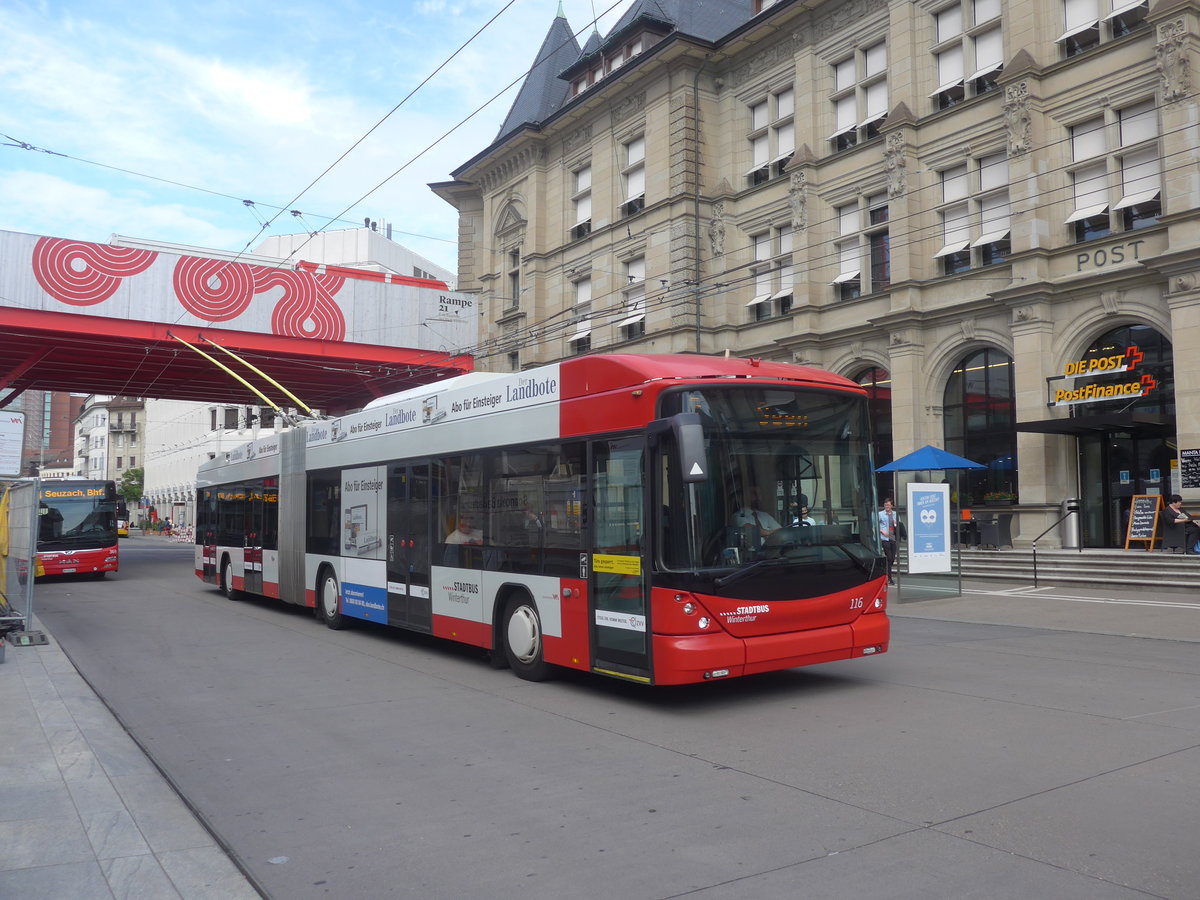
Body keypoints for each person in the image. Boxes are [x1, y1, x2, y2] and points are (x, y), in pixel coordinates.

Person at [877, 497, 900, 585]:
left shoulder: (895, 514)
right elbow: (875, 525)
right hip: (884, 538)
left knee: (892, 558)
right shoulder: (880, 514)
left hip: (893, 538)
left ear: (891, 506)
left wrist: (896, 523)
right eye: (885, 505)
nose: (887, 506)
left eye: (888, 505)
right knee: (889, 557)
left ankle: (885, 572)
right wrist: (882, 531)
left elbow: (899, 525)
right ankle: (889, 578)